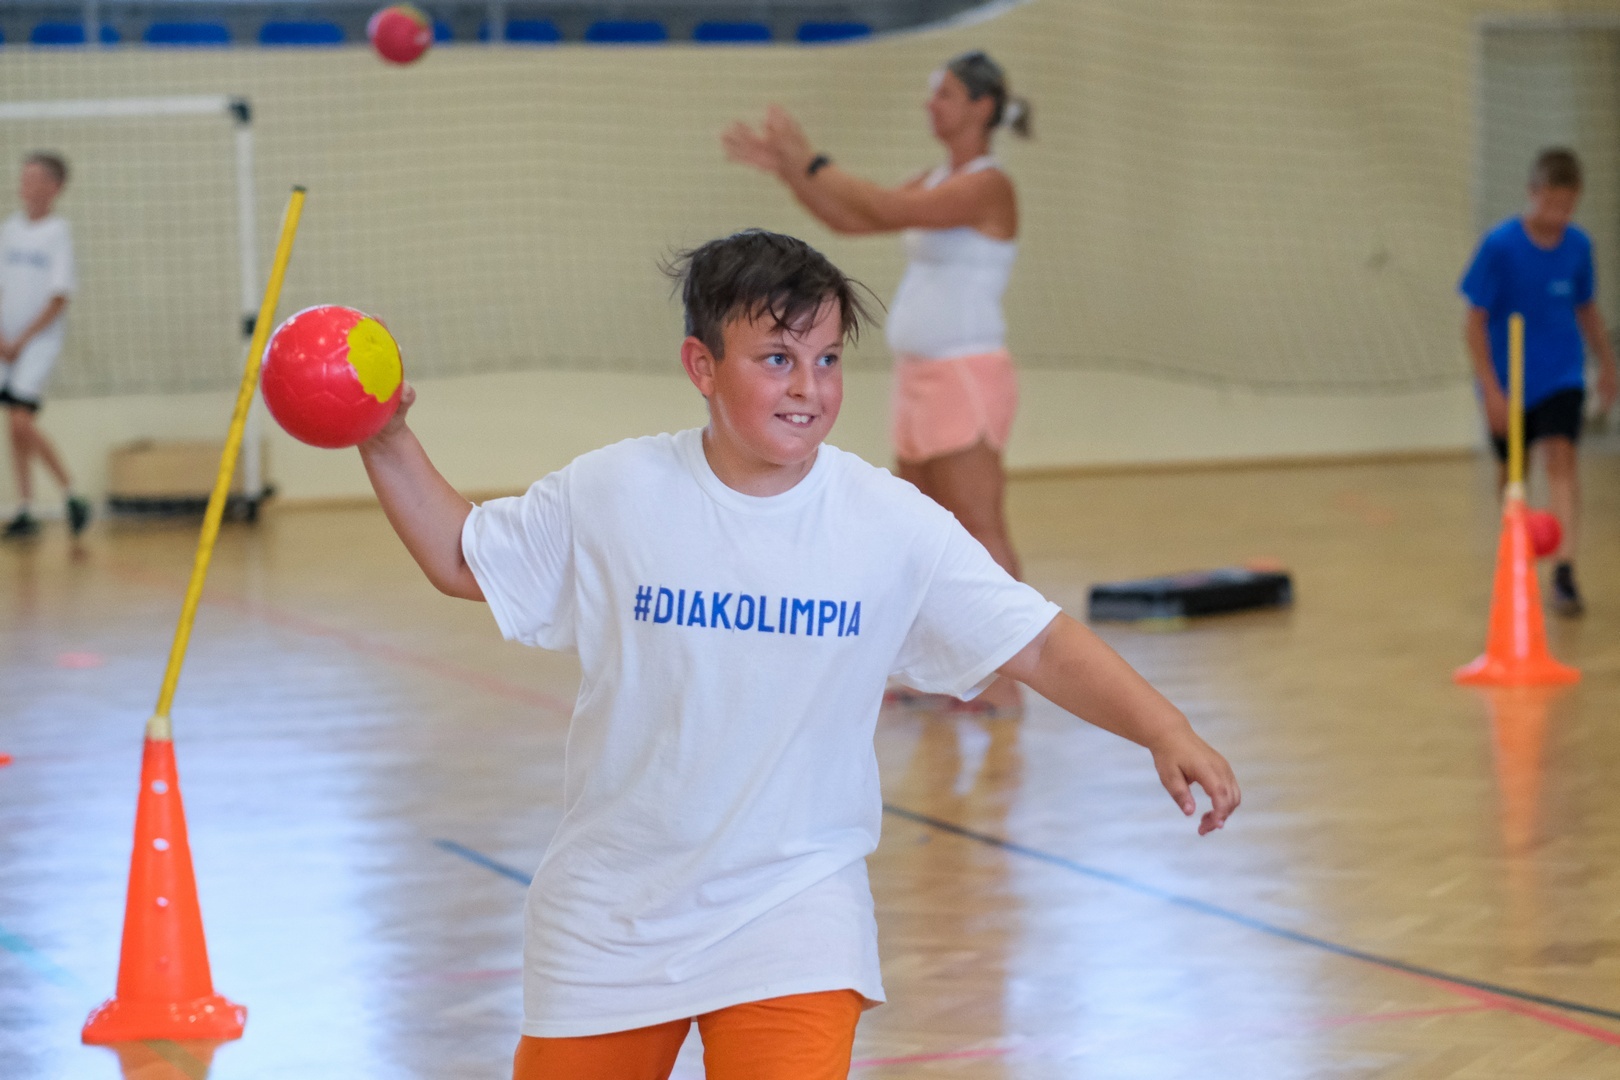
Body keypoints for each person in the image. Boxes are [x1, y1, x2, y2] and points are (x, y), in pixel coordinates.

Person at [357, 229, 1239, 1079]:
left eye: (826, 359)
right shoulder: (616, 492)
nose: (808, 388)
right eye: (777, 359)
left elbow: (1037, 643)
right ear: (702, 366)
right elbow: (463, 558)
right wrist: (385, 436)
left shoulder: (887, 523)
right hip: (610, 914)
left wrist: (1163, 727)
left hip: (793, 911)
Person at [723, 51, 1032, 712]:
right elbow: (851, 218)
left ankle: (1008, 681)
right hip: (919, 377)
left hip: (966, 374)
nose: (931, 104)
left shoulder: (988, 185)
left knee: (980, 527)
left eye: (944, 94)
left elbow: (888, 207)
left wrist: (812, 160)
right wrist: (791, 171)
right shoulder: (936, 178)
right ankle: (930, 670)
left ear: (981, 107)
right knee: (920, 528)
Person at [1461, 147, 1619, 616]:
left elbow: (1586, 308)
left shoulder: (1579, 247)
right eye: (1550, 203)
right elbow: (1473, 322)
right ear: (1532, 193)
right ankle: (1518, 557)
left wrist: (1607, 364)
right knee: (1513, 473)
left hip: (1562, 373)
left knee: (1561, 455)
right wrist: (1490, 389)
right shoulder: (1499, 246)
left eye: (1567, 206)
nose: (1557, 215)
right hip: (1508, 380)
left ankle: (1565, 572)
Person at [1, 151, 87, 539]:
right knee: (14, 425)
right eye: (24, 177)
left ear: (54, 187)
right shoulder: (9, 230)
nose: (26, 185)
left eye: (35, 178)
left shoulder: (57, 233)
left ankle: (71, 492)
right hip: (5, 341)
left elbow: (59, 296)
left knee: (21, 419)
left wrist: (21, 340)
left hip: (37, 343)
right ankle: (25, 508)